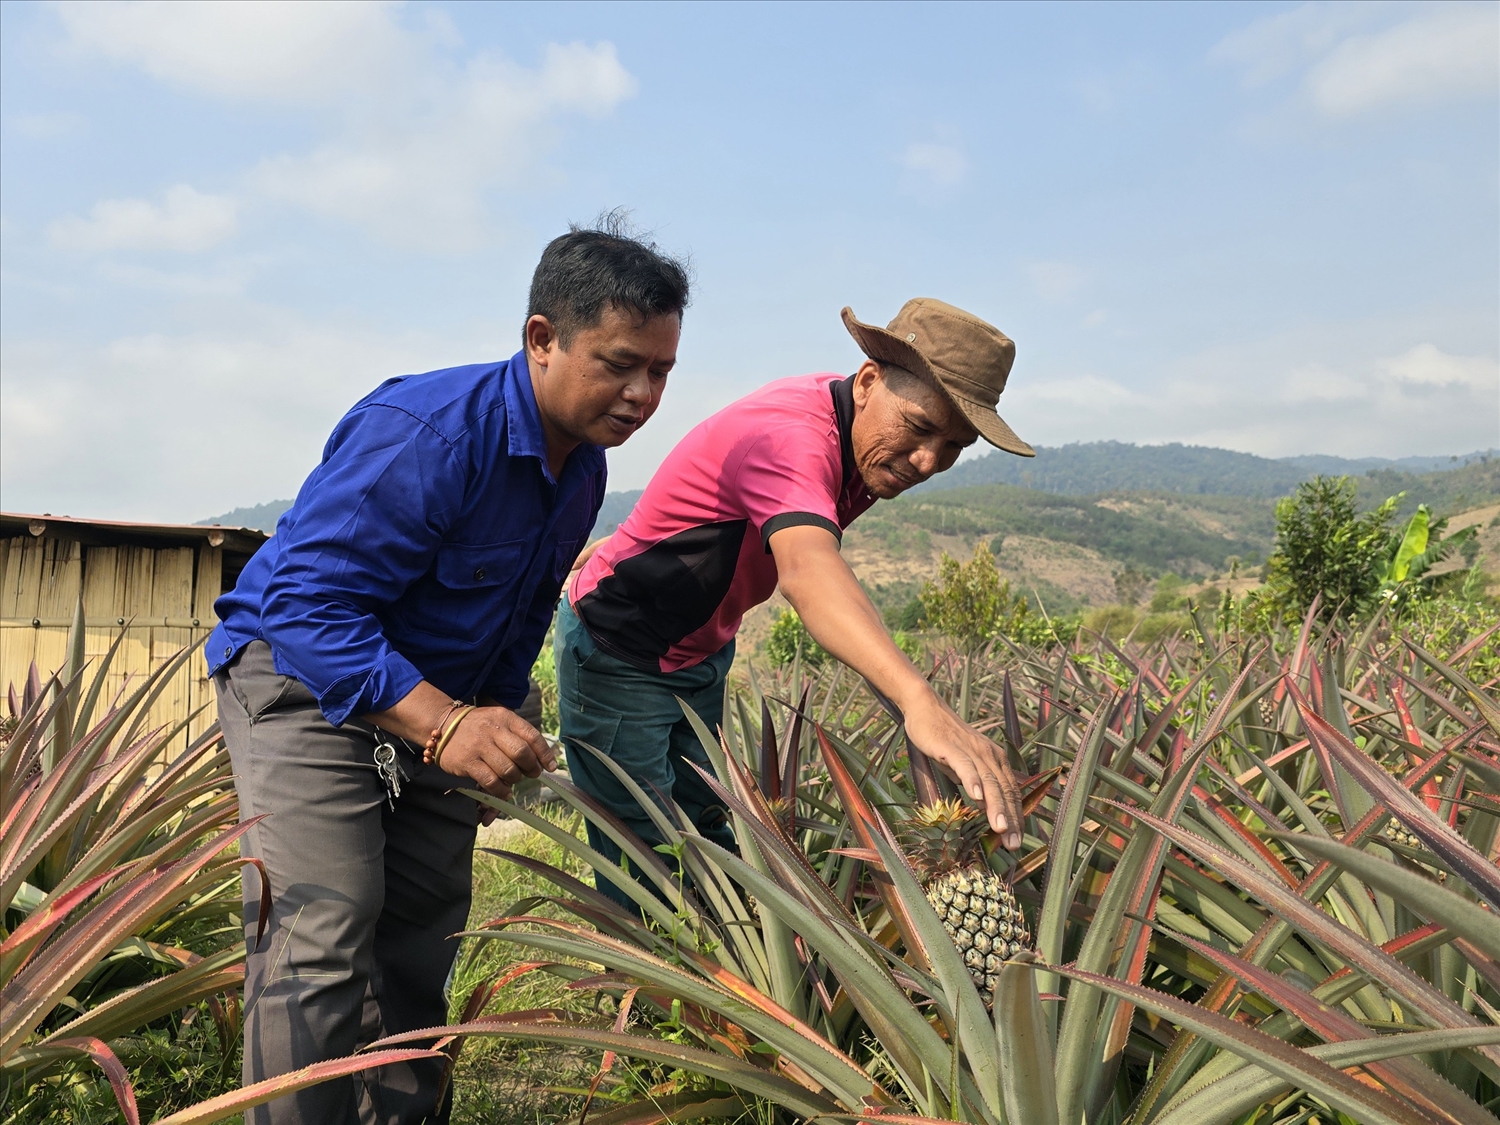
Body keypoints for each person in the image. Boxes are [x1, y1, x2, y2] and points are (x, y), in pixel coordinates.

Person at [207, 217, 690, 1125]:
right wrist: (444, 724)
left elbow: (523, 611)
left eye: (660, 371)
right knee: (325, 921)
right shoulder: (428, 432)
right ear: (542, 339)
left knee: (425, 926)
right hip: (300, 675)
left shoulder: (582, 469)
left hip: (437, 700)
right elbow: (306, 606)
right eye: (620, 362)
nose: (641, 394)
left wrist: (494, 721)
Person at [558, 298, 1033, 910]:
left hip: (700, 646)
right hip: (618, 648)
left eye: (954, 445)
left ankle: (727, 967)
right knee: (643, 848)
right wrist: (919, 699)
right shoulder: (793, 437)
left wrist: (918, 713)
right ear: (867, 381)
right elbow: (809, 572)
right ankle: (645, 999)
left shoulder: (859, 440)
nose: (928, 462)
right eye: (919, 428)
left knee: (707, 817)